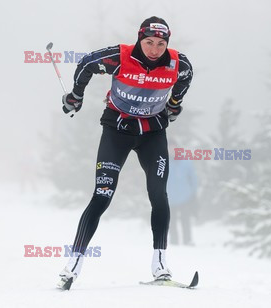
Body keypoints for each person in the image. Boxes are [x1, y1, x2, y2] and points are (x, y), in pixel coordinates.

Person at [56, 16, 193, 290]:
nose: (154, 49)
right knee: (102, 196)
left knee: (159, 194)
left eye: (161, 43)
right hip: (117, 130)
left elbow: (185, 79)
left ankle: (160, 266)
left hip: (153, 133)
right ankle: (73, 266)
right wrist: (76, 96)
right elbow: (85, 64)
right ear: (139, 39)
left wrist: (174, 104)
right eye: (149, 42)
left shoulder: (179, 63)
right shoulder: (120, 56)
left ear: (168, 43)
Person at [168, 154, 198, 246]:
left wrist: (193, 192)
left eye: (173, 146)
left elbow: (193, 178)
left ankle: (187, 240)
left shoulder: (186, 162)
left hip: (185, 196)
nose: (171, 149)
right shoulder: (164, 162)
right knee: (171, 220)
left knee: (186, 219)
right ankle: (174, 241)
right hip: (170, 197)